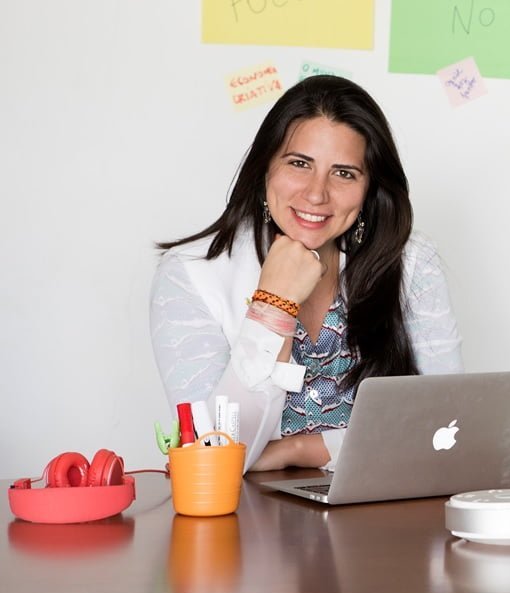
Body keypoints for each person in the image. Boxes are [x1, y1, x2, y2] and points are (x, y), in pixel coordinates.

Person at [151, 75, 462, 472]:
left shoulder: (411, 262)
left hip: (386, 513)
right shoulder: (189, 275)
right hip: (247, 522)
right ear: (265, 170)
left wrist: (301, 450)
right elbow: (210, 455)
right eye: (299, 164)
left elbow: (449, 424)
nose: (316, 194)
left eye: (344, 173)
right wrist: (273, 306)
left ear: (369, 190)